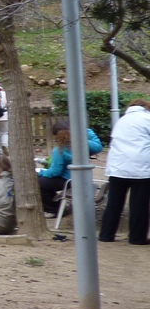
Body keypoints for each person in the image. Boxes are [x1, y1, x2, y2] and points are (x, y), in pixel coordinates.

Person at [99, 99, 150, 245]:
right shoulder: (147, 119)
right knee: (139, 204)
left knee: (114, 203)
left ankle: (106, 234)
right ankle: (137, 237)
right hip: (141, 167)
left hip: (117, 168)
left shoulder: (122, 120)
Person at [37, 121, 104, 217]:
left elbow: (55, 172)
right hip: (83, 179)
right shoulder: (83, 144)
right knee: (45, 182)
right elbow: (98, 146)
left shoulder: (60, 150)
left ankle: (54, 209)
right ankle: (57, 206)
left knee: (40, 183)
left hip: (69, 180)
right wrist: (84, 131)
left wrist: (40, 171)